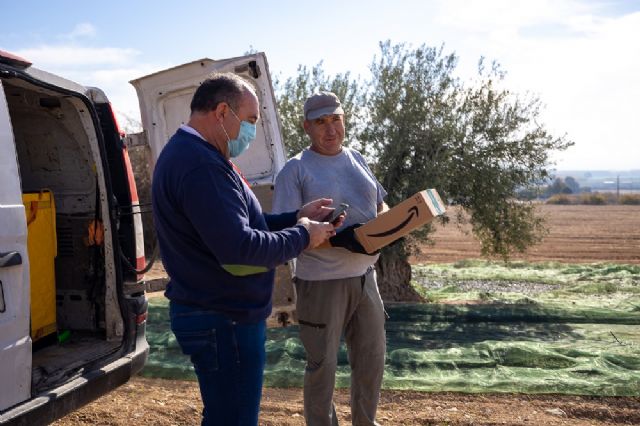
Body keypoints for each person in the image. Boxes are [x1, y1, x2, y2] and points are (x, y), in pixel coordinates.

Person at [151, 73, 338, 426]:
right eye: (250, 120)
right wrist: (303, 235)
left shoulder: (198, 156)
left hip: (219, 317)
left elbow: (242, 226)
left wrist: (295, 217)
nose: (251, 132)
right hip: (223, 321)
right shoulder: (200, 166)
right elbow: (240, 248)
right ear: (223, 111)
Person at [272, 91, 389, 426]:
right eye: (321, 122)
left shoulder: (358, 158)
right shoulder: (295, 170)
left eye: (335, 119)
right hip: (321, 284)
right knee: (322, 368)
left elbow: (380, 204)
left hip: (367, 279)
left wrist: (382, 227)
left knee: (371, 362)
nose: (330, 129)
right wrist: (341, 241)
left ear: (344, 120)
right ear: (306, 126)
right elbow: (287, 232)